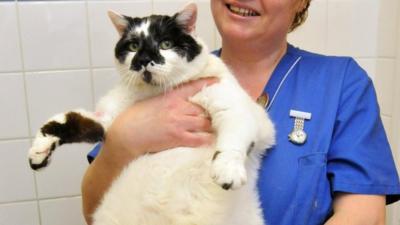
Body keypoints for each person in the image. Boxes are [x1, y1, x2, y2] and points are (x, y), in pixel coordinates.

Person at [81, 0, 400, 224]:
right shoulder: (157, 78)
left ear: (301, 2)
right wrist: (123, 141)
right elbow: (94, 210)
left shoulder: (340, 83)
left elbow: (366, 216)